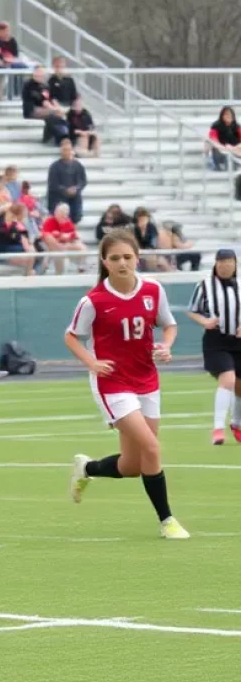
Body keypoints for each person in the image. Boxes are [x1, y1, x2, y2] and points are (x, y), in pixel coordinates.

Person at [66, 230, 189, 540]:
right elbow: (71, 336)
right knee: (151, 447)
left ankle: (87, 469)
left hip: (147, 378)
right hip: (113, 383)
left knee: (134, 464)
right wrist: (91, 362)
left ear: (138, 258)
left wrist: (166, 345)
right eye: (115, 258)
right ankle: (167, 521)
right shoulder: (93, 300)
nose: (122, 263)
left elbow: (169, 324)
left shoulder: (153, 289)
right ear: (104, 261)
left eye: (128, 257)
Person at [187, 248, 241, 445]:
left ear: (235, 264)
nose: (225, 266)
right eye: (222, 262)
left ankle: (236, 423)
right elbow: (192, 310)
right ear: (216, 264)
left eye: (229, 262)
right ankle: (218, 429)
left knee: (240, 388)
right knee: (227, 378)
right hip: (216, 341)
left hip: (238, 341)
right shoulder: (205, 285)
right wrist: (204, 322)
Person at [47, 138, 87, 223]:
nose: (67, 152)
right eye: (64, 150)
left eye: (68, 149)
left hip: (74, 197)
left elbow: (83, 181)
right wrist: (65, 190)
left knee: (76, 217)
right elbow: (53, 184)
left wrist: (76, 188)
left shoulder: (78, 165)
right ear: (61, 151)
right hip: (59, 198)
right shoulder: (54, 167)